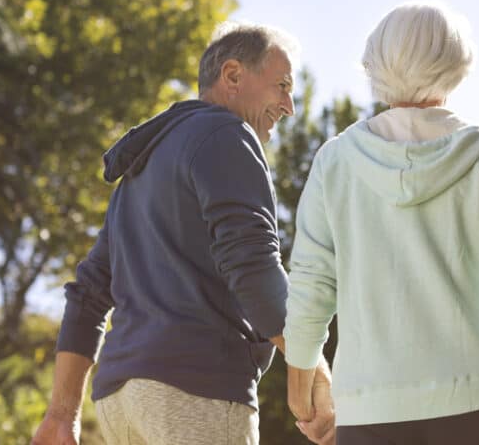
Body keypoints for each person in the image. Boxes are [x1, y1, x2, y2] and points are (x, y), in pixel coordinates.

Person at [282, 1, 479, 445]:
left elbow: (310, 289)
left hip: (372, 408)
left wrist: (304, 398)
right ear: (456, 62)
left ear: (377, 62)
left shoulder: (334, 163)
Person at [32, 22, 335, 445]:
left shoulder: (138, 171)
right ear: (232, 76)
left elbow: (88, 293)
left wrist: (61, 414)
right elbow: (252, 267)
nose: (289, 106)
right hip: (195, 393)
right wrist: (314, 368)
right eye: (281, 85)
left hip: (120, 403)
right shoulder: (229, 135)